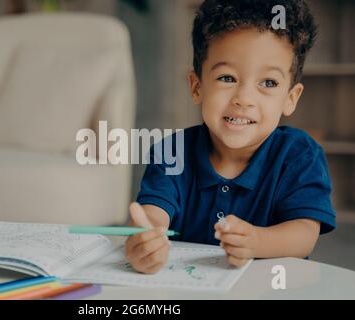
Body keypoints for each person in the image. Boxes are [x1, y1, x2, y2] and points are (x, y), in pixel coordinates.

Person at [125, 0, 336, 274]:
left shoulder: (299, 154)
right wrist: (144, 240)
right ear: (197, 87)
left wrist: (258, 242)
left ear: (291, 98)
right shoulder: (172, 151)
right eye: (227, 78)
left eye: (268, 83)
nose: (244, 99)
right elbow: (152, 213)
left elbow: (305, 233)